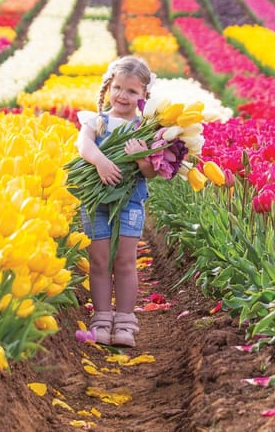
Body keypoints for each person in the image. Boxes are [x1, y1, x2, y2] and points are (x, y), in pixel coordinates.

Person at [75, 56, 157, 348]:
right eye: (118, 88)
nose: (123, 96)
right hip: (95, 202)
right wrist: (100, 161)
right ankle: (101, 318)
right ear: (109, 87)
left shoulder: (145, 129)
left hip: (130, 203)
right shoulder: (97, 121)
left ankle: (124, 321)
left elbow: (150, 173)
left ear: (144, 96)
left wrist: (141, 157)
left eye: (132, 92)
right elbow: (83, 145)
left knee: (124, 261)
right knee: (98, 261)